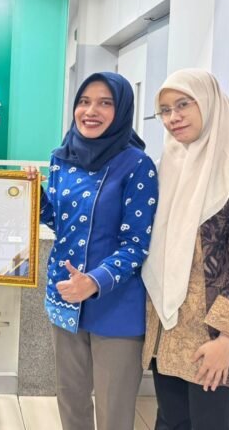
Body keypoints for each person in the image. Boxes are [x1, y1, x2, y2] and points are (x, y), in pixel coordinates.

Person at [30, 72, 158, 430]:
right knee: (71, 400)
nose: (91, 111)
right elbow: (59, 220)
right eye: (84, 102)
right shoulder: (61, 158)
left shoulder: (137, 165)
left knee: (114, 409)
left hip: (116, 304)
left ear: (122, 110)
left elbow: (137, 243)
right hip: (66, 296)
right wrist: (31, 195)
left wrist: (94, 281)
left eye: (105, 103)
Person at [141, 69, 229, 430]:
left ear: (210, 104)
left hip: (211, 336)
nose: (173, 117)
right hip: (168, 329)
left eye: (183, 104)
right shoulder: (168, 168)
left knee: (209, 425)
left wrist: (226, 340)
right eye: (165, 110)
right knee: (170, 422)